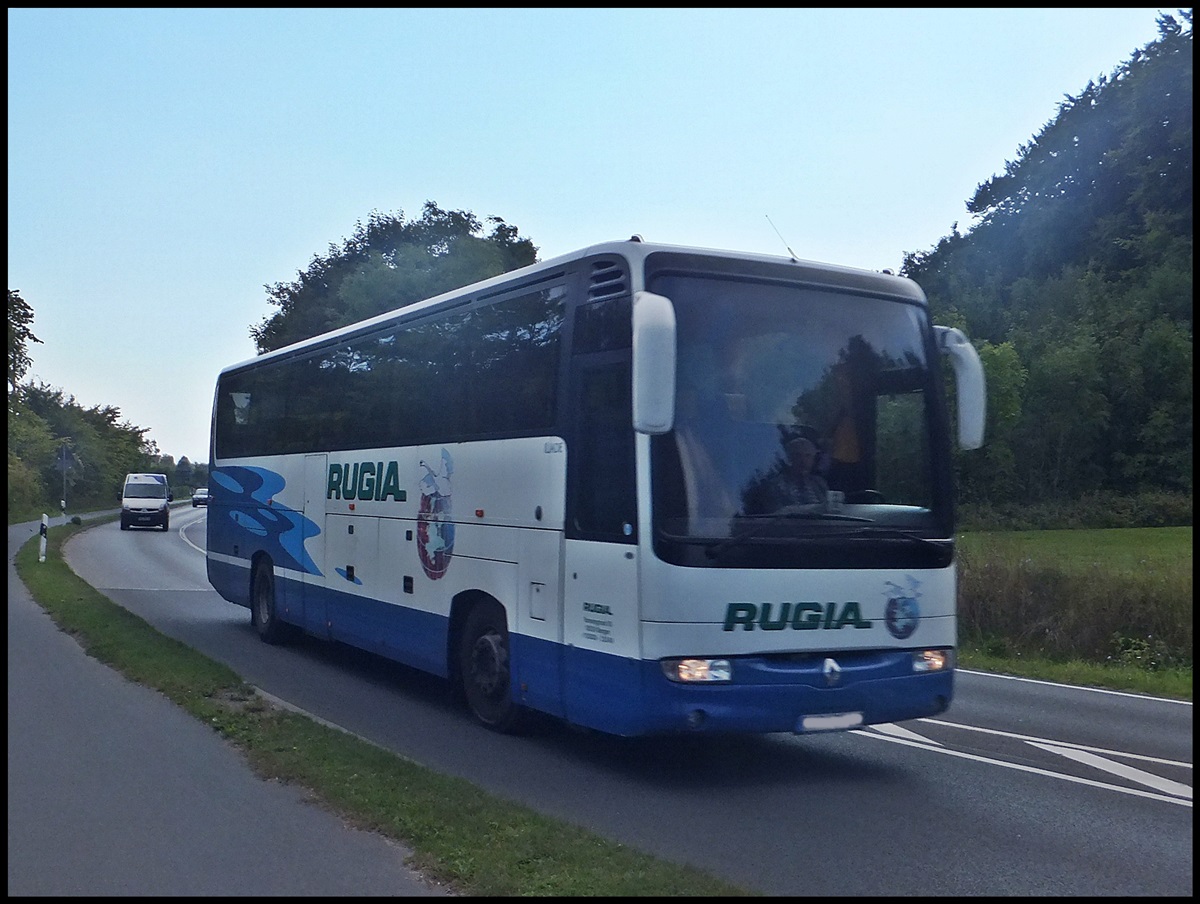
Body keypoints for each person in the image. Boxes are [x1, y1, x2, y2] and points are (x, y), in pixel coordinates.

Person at [768, 436, 830, 510]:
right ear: (789, 458)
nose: (803, 461)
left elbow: (828, 509)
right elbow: (776, 513)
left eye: (808, 456)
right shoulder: (775, 485)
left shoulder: (819, 483)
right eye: (798, 455)